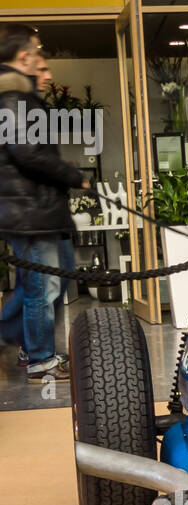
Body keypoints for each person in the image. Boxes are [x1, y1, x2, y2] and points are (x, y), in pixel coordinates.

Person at [0, 22, 85, 382]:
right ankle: (39, 358)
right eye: (36, 51)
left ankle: (20, 338)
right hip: (29, 212)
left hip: (34, 210)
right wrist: (72, 176)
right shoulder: (14, 98)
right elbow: (29, 153)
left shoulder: (20, 96)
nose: (40, 58)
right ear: (24, 56)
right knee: (42, 286)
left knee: (49, 280)